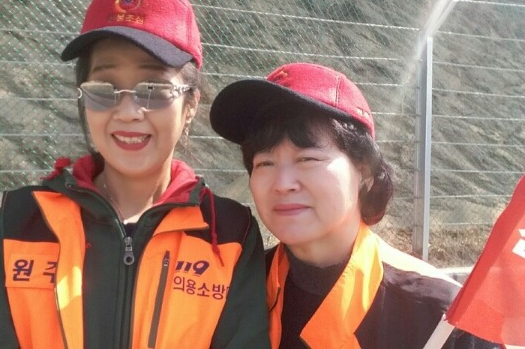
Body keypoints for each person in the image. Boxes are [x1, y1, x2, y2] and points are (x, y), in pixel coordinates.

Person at [0, 0, 270, 348]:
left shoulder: (229, 234)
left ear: (191, 104)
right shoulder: (23, 220)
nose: (127, 112)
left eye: (153, 89)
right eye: (104, 89)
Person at [209, 62, 500, 349]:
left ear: (365, 172)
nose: (283, 183)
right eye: (264, 163)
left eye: (307, 159)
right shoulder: (230, 290)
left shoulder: (443, 320)